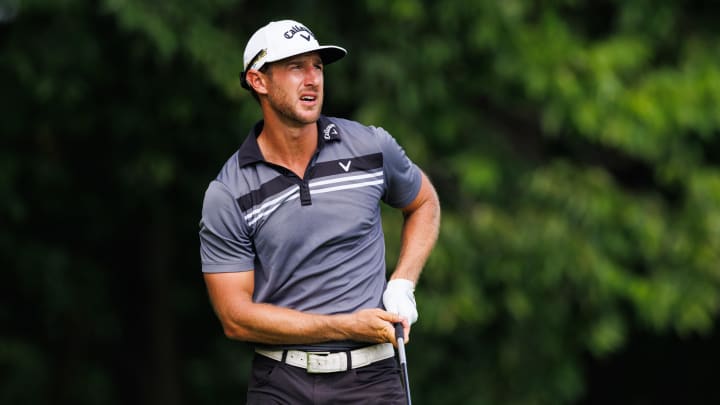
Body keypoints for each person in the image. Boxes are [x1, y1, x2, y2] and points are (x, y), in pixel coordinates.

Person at [199, 19, 440, 404]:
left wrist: (402, 284)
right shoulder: (229, 191)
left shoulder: (369, 146)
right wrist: (343, 325)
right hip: (281, 383)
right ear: (258, 81)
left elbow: (424, 202)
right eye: (296, 67)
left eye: (318, 66)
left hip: (373, 381)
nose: (312, 79)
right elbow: (235, 316)